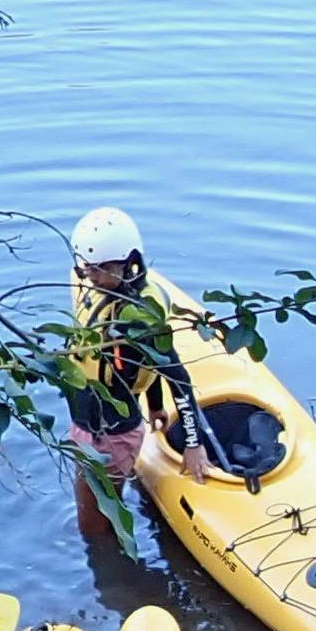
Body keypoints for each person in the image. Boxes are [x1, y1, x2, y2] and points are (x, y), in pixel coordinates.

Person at [59, 204, 213, 516]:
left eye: (99, 269)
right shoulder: (103, 294)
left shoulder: (139, 319)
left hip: (109, 437)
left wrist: (193, 444)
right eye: (86, 269)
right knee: (89, 510)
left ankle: (107, 556)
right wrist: (154, 405)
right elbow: (140, 364)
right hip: (89, 425)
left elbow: (176, 376)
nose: (91, 277)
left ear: (128, 263)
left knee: (94, 524)